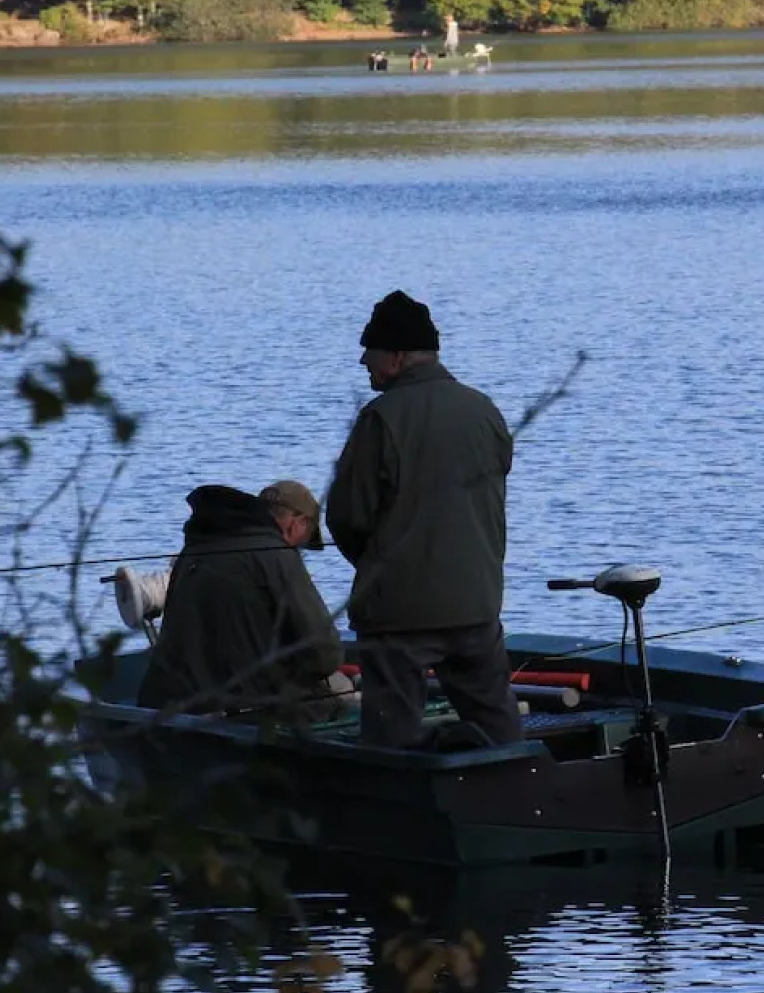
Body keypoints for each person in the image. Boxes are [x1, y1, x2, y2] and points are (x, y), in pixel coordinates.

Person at [326, 290, 524, 750]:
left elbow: (347, 516)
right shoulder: (484, 410)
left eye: (369, 351)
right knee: (498, 725)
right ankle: (520, 795)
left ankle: (397, 811)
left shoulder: (380, 419)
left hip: (398, 613)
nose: (362, 361)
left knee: (390, 738)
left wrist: (377, 565)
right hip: (475, 602)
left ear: (395, 357)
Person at [137, 479, 352, 726]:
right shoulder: (277, 555)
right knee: (347, 695)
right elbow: (325, 654)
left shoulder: (193, 553)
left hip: (175, 705)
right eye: (303, 541)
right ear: (297, 523)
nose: (298, 549)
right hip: (252, 712)